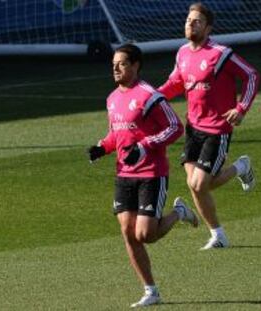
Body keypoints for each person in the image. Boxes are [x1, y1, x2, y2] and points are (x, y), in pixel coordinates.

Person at [87, 44, 199, 308]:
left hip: (151, 174)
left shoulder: (150, 96)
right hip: (124, 174)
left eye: (122, 63)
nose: (115, 68)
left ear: (136, 66)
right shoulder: (112, 98)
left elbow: (175, 127)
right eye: (113, 63)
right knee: (128, 232)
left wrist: (144, 146)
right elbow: (118, 134)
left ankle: (179, 213)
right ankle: (151, 291)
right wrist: (102, 147)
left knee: (146, 235)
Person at [158, 2, 260, 250]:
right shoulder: (182, 53)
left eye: (197, 21)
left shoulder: (220, 53)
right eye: (188, 20)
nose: (191, 24)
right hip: (194, 128)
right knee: (195, 184)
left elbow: (251, 75)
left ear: (208, 27)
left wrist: (240, 108)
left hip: (217, 129)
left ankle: (240, 167)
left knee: (200, 184)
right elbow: (175, 83)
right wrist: (151, 99)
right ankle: (218, 235)